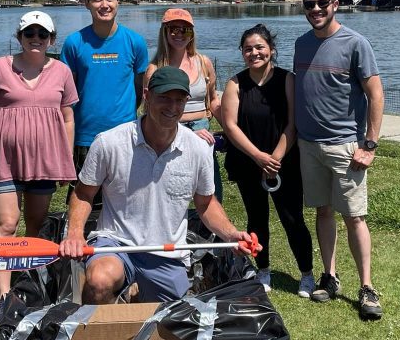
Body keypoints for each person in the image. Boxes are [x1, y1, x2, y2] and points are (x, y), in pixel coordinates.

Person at [59, 66, 257, 303]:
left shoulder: (198, 149)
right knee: (100, 280)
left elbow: (205, 204)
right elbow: (83, 194)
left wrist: (231, 234)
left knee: (174, 321)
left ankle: (136, 292)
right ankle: (98, 332)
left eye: (179, 100)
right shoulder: (109, 142)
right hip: (116, 243)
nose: (172, 107)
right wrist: (74, 234)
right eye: (164, 98)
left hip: (168, 252)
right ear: (147, 96)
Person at [0, 10, 77, 320]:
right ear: (19, 38)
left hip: (44, 161)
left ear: (51, 39)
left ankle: (31, 285)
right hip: (3, 158)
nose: (35, 39)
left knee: (36, 223)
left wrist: (65, 159)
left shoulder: (62, 72)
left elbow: (68, 118)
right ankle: (4, 293)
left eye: (42, 35)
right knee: (7, 222)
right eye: (29, 34)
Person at [294, 0, 385, 321]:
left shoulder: (356, 43)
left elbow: (376, 95)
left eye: (322, 3)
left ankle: (366, 287)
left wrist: (369, 145)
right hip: (309, 145)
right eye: (309, 5)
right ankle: (329, 276)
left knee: (354, 217)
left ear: (335, 4)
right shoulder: (301, 46)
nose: (316, 10)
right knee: (323, 212)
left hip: (345, 145)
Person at [222, 24, 314, 296]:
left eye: (259, 47)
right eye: (248, 49)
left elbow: (292, 123)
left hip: (284, 161)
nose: (254, 53)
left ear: (271, 50)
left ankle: (306, 274)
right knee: (256, 219)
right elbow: (230, 125)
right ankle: (262, 270)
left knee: (293, 219)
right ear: (242, 53)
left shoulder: (287, 79)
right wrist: (258, 157)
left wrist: (274, 158)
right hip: (248, 163)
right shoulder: (235, 83)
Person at [60, 0, 149, 178]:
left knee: (126, 201)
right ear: (87, 4)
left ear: (118, 2)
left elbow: (139, 88)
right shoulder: (74, 43)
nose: (105, 5)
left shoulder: (135, 42)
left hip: (126, 135)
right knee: (85, 200)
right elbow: (67, 93)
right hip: (85, 136)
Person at [145, 7, 223, 202]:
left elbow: (213, 100)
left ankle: (211, 231)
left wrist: (231, 128)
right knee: (169, 191)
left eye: (185, 30)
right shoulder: (154, 69)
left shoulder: (203, 63)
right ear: (165, 31)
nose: (179, 34)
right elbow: (150, 113)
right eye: (173, 29)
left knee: (211, 191)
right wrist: (186, 135)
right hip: (168, 132)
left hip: (203, 132)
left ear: (192, 34)